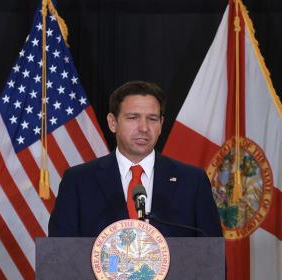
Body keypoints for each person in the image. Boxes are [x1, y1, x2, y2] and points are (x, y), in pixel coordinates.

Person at [48, 81, 222, 237]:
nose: (144, 128)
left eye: (152, 119)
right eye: (133, 118)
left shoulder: (192, 181)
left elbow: (212, 258)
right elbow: (60, 257)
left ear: (161, 124)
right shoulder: (78, 181)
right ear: (112, 122)